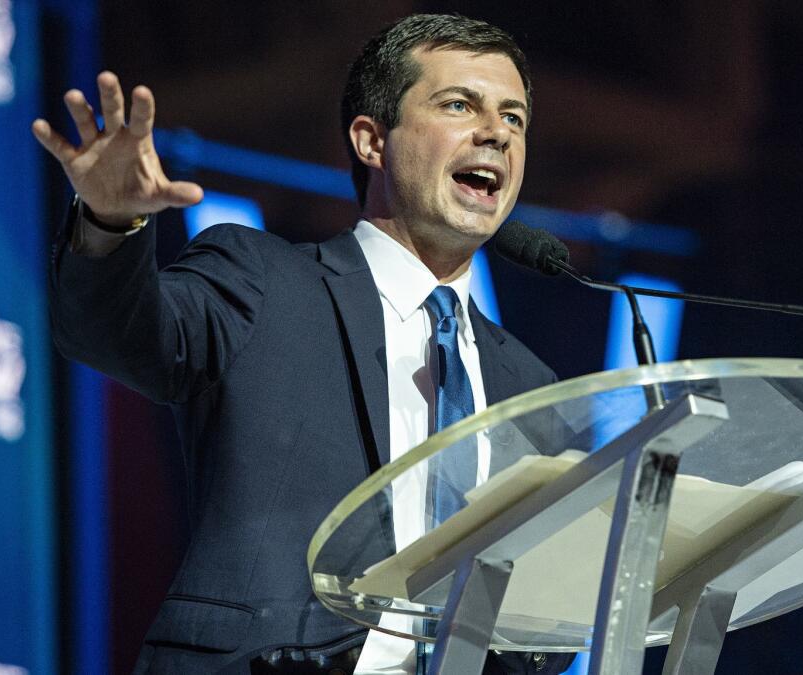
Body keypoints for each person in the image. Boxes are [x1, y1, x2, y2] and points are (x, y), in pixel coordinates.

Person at [33, 13, 575, 675]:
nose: (495, 132)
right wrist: (110, 220)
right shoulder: (264, 280)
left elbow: (545, 624)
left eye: (514, 118)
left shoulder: (533, 385)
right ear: (373, 140)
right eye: (459, 105)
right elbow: (116, 332)